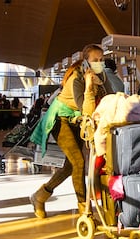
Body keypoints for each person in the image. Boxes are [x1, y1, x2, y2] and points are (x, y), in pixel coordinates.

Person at [29, 44, 114, 218]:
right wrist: (90, 85)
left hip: (78, 121)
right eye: (95, 60)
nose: (99, 63)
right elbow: (85, 107)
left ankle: (40, 195)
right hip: (60, 119)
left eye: (101, 60)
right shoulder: (76, 78)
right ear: (86, 62)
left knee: (71, 165)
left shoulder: (102, 75)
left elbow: (109, 98)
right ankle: (85, 208)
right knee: (79, 162)